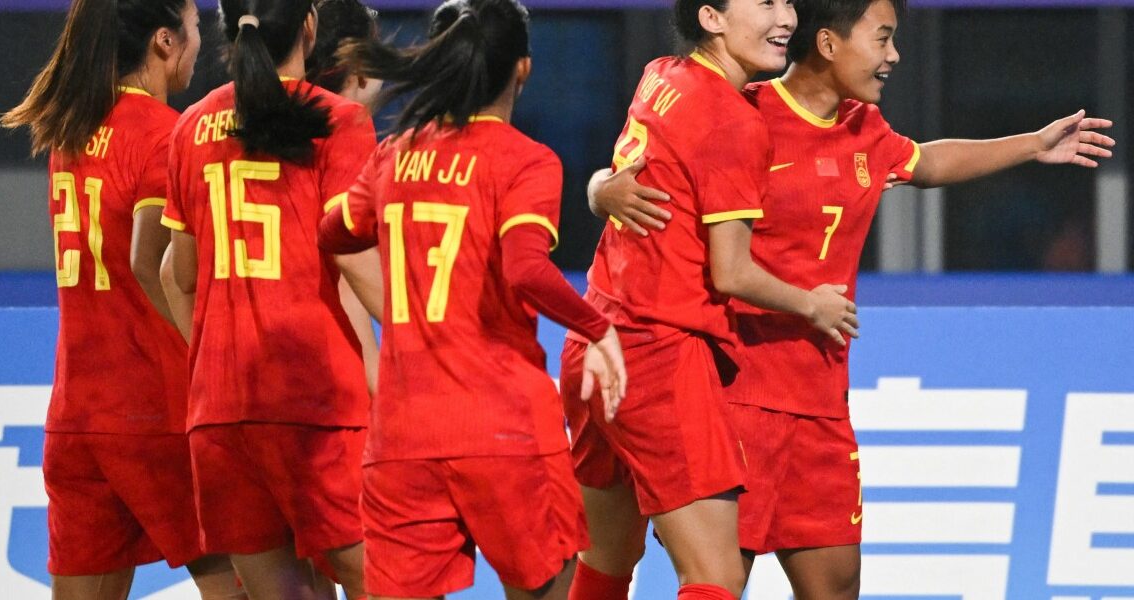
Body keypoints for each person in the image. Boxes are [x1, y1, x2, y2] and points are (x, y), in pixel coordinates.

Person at [589, 0, 1115, 596]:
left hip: (820, 398)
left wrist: (1031, 145)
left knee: (836, 584)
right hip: (737, 389)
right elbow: (642, 178)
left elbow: (927, 160)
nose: (894, 56)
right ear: (830, 44)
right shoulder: (742, 113)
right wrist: (601, 189)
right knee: (718, 579)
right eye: (883, 38)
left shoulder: (865, 128)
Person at [319, 1, 627, 598]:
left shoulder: (394, 154)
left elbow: (333, 233)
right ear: (523, 69)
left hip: (403, 439)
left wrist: (400, 300)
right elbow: (525, 268)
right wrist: (597, 327)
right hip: (505, 431)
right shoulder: (527, 161)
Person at [560, 1, 859, 599]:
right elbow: (732, 272)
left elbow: (636, 181)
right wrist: (812, 305)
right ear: (712, 17)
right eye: (765, 4)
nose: (786, 19)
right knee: (715, 578)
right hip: (657, 358)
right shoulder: (731, 119)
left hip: (594, 345)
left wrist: (597, 190)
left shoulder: (660, 75)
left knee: (608, 557)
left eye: (787, 3)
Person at [0, 0, 243, 598]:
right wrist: (216, 361)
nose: (198, 40)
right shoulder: (167, 135)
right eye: (191, 26)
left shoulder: (71, 131)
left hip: (77, 418)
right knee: (246, 585)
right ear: (164, 41)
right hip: (159, 413)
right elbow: (153, 259)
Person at [158, 0, 380, 597]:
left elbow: (175, 277)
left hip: (219, 414)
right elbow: (355, 258)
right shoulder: (339, 120)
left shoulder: (189, 128)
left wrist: (211, 359)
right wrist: (435, 336)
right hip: (314, 403)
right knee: (390, 582)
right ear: (310, 24)